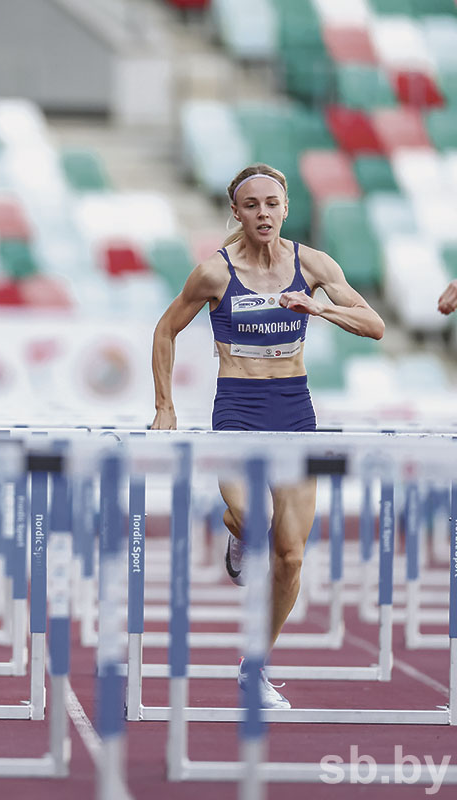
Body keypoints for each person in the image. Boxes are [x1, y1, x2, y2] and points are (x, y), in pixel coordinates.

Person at [150, 163, 384, 708]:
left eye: (272, 204)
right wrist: (165, 406)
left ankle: (254, 667)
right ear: (236, 212)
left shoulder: (313, 264)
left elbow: (373, 324)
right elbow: (165, 330)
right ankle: (239, 529)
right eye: (251, 205)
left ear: (285, 208)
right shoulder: (214, 272)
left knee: (292, 556)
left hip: (294, 412)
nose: (263, 213)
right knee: (257, 518)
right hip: (237, 411)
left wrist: (317, 306)